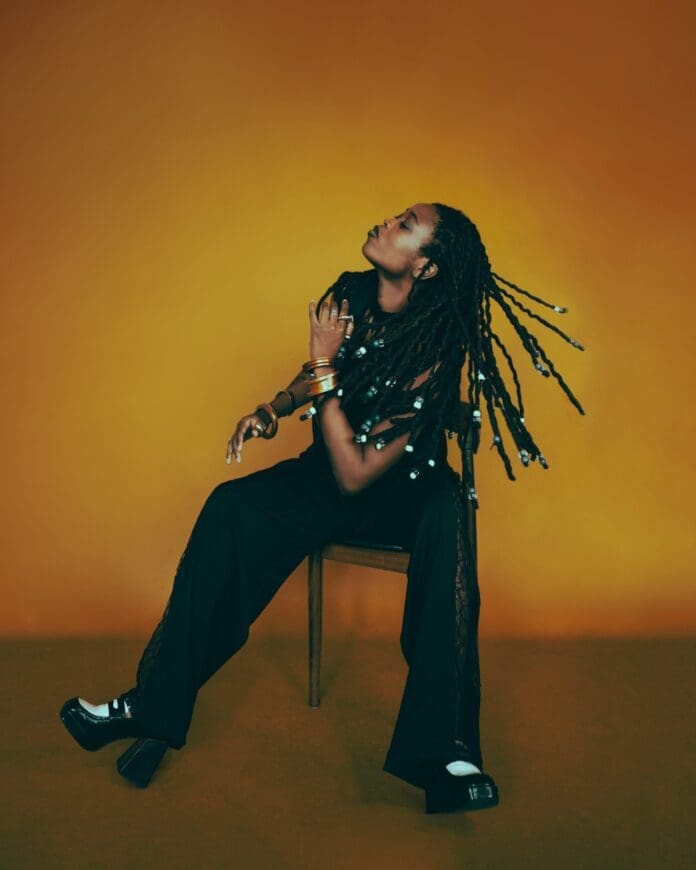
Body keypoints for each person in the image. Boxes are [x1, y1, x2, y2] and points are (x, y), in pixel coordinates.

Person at [60, 202, 586, 813]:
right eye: (393, 216)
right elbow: (316, 380)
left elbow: (357, 473)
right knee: (230, 507)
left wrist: (325, 363)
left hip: (400, 492)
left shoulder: (439, 344)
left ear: (428, 266)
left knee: (449, 516)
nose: (385, 223)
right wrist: (274, 408)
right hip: (326, 476)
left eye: (404, 225)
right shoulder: (352, 294)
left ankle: (445, 750)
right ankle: (151, 704)